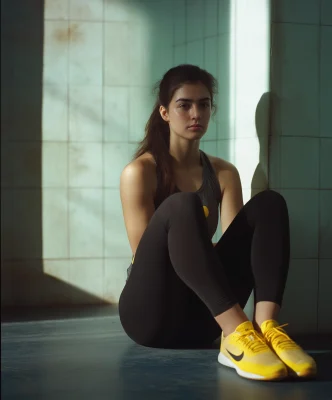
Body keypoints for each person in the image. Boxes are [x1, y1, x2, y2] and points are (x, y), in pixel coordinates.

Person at [118, 64, 316, 381]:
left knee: (269, 203)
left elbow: (240, 251)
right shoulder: (140, 172)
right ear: (165, 113)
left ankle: (265, 328)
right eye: (184, 105)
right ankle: (237, 330)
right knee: (182, 205)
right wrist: (194, 235)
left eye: (204, 104)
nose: (196, 113)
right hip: (151, 316)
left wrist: (204, 247)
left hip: (204, 318)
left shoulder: (224, 173)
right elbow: (146, 255)